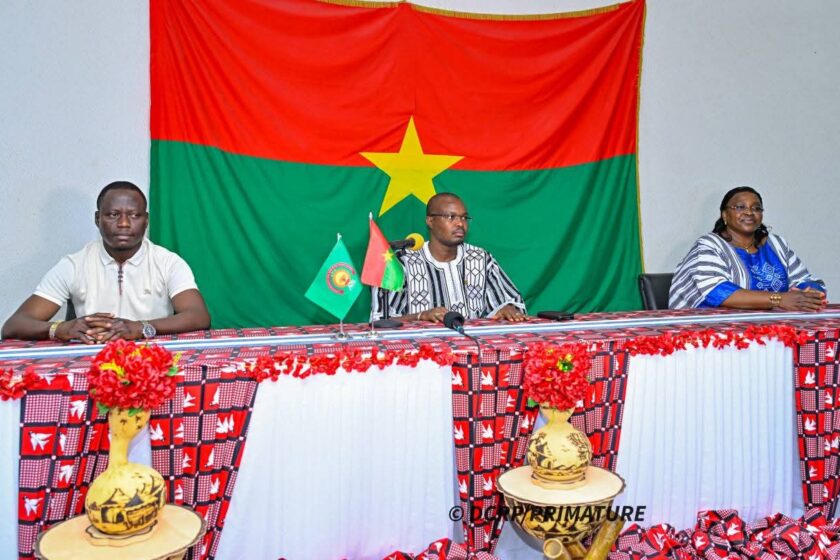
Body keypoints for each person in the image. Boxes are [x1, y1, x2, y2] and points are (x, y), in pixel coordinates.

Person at [2, 181, 211, 343]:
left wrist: (141, 328)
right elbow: (14, 325)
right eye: (113, 214)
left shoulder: (168, 263)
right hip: (92, 366)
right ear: (97, 219)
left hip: (153, 363)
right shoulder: (73, 265)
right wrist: (60, 329)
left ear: (146, 220)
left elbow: (198, 316)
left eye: (134, 215)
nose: (123, 223)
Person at [371, 192, 526, 323]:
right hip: (420, 354)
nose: (460, 223)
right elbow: (380, 321)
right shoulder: (402, 262)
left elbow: (513, 303)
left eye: (464, 218)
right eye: (451, 217)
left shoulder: (481, 259)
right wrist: (421, 316)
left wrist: (507, 309)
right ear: (430, 221)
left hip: (474, 352)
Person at [669, 186, 826, 310]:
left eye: (756, 208)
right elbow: (717, 292)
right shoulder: (708, 246)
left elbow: (804, 280)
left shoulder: (776, 244)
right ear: (724, 215)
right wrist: (779, 300)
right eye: (740, 207)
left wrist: (808, 295)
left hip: (770, 328)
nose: (749, 212)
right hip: (711, 334)